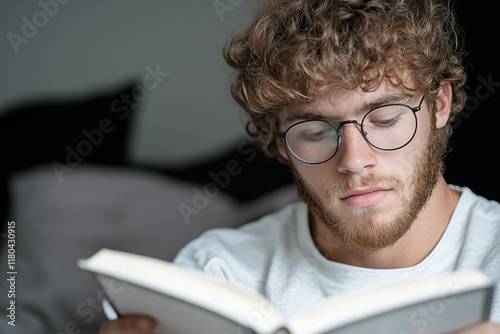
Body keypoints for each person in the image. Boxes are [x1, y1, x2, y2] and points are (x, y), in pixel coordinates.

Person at [100, 0, 500, 333]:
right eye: (315, 131)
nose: (355, 161)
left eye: (385, 119)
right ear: (279, 141)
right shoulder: (216, 275)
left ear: (439, 104)